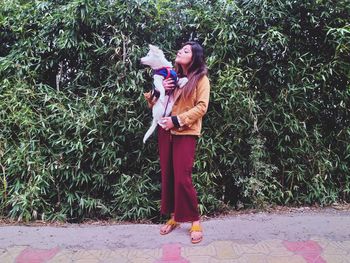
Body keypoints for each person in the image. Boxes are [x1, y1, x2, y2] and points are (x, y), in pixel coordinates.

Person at [144, 41, 210, 244]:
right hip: (165, 132)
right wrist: (159, 90)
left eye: (186, 50)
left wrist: (176, 120)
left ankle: (194, 221)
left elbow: (201, 107)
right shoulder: (171, 76)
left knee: (183, 177)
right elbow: (154, 103)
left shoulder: (201, 79)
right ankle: (174, 217)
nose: (180, 51)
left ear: (195, 57)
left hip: (185, 132)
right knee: (169, 175)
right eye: (181, 49)